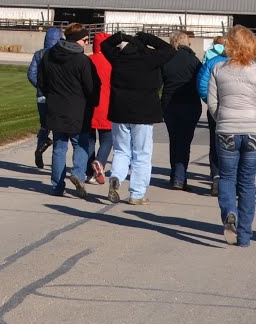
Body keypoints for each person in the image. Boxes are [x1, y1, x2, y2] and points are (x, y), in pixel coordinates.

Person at [207, 25, 256, 246]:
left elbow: (212, 103)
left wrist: (222, 120)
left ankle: (228, 212)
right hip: (254, 129)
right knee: (247, 183)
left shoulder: (218, 69)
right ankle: (244, 235)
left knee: (227, 177)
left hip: (227, 128)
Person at [101, 30, 174, 204]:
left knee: (121, 150)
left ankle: (117, 177)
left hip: (120, 110)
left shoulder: (117, 57)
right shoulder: (150, 58)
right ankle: (137, 193)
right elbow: (169, 50)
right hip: (144, 111)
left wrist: (121, 36)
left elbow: (104, 45)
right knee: (141, 153)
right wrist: (147, 37)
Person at [37, 23, 101, 198]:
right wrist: (93, 102)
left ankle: (57, 186)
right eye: (84, 40)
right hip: (78, 109)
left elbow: (41, 82)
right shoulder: (82, 61)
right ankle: (78, 174)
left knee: (59, 147)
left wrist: (51, 95)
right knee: (80, 144)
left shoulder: (49, 56)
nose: (86, 43)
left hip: (56, 107)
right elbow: (92, 86)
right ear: (75, 39)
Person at [160, 31, 202, 190]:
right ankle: (179, 177)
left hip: (169, 103)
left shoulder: (166, 60)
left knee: (174, 139)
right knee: (185, 141)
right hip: (190, 103)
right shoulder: (194, 60)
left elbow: (160, 81)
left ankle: (175, 176)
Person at [28, 26, 63, 169]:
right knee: (58, 125)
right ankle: (56, 157)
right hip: (58, 95)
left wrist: (40, 87)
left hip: (41, 95)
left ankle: (40, 147)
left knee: (44, 124)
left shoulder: (39, 54)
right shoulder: (61, 54)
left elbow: (31, 74)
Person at [197, 37, 228, 192]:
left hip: (216, 107)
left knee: (215, 142)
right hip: (237, 110)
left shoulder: (212, 61)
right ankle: (230, 178)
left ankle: (216, 175)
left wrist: (210, 102)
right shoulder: (246, 62)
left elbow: (202, 84)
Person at [86, 32, 114, 183]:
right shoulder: (112, 61)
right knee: (107, 139)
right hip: (107, 105)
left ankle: (90, 171)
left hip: (89, 105)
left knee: (89, 140)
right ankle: (100, 161)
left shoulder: (88, 60)